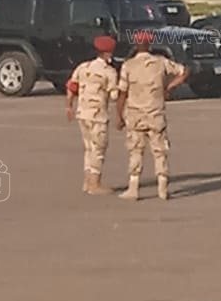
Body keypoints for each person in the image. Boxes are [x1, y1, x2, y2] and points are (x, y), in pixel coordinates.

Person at [116, 30, 188, 201]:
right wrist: (169, 87)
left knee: (135, 151)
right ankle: (162, 187)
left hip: (135, 115)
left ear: (136, 45)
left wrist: (119, 116)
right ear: (150, 45)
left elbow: (122, 93)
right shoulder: (161, 62)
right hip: (156, 114)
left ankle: (133, 188)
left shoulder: (128, 66)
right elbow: (184, 71)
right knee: (160, 151)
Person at [66, 35, 118, 194]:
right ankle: (95, 184)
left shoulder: (83, 67)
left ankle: (87, 181)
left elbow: (72, 87)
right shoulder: (109, 72)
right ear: (108, 53)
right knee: (98, 149)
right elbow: (114, 95)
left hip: (82, 113)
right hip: (98, 115)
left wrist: (69, 106)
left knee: (88, 148)